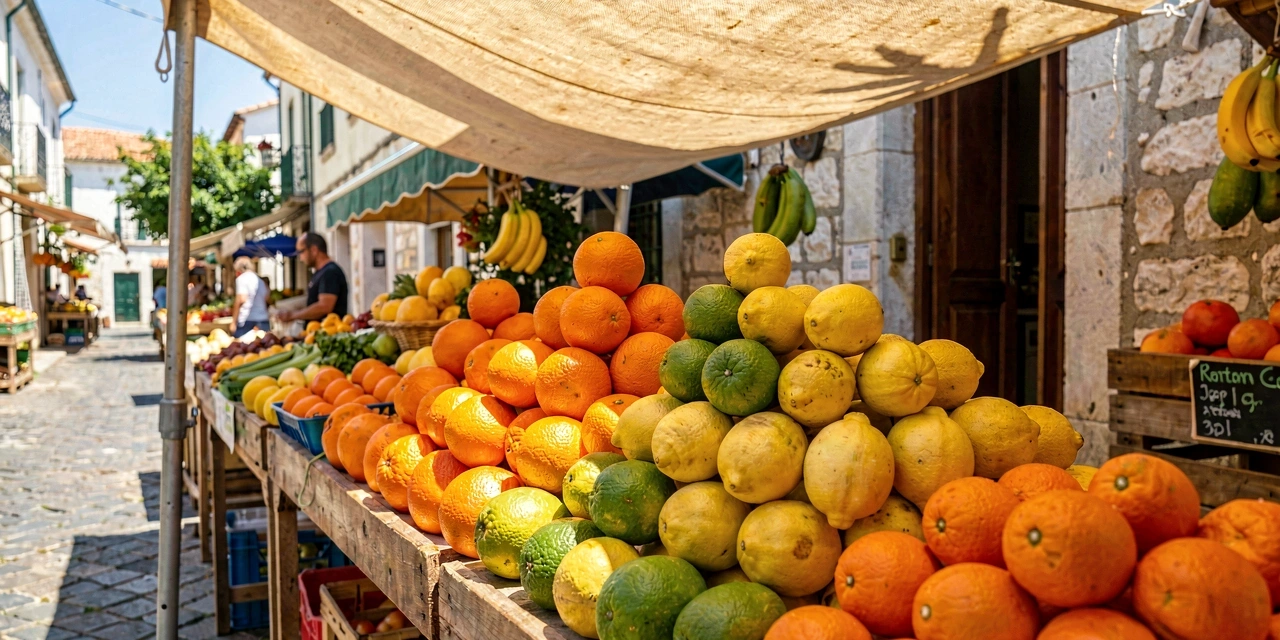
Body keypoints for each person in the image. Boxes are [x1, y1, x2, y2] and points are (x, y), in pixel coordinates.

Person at [277, 232, 348, 323]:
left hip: (327, 330)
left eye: (301, 252)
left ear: (314, 250)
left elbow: (324, 306)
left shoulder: (330, 272)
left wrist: (293, 315)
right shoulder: (321, 272)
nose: (300, 258)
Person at [231, 257, 270, 337]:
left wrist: (234, 322)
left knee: (242, 344)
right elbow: (267, 298)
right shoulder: (260, 281)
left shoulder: (242, 279)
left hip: (247, 321)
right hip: (263, 319)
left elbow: (241, 299)